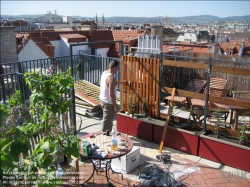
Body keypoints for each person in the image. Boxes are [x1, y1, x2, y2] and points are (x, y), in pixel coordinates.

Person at [99, 59, 127, 132]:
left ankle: (107, 133)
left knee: (108, 119)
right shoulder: (111, 78)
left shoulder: (105, 73)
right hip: (108, 103)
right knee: (107, 121)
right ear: (114, 68)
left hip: (102, 100)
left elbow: (112, 83)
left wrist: (123, 82)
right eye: (117, 68)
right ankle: (104, 135)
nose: (118, 69)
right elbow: (111, 95)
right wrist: (115, 106)